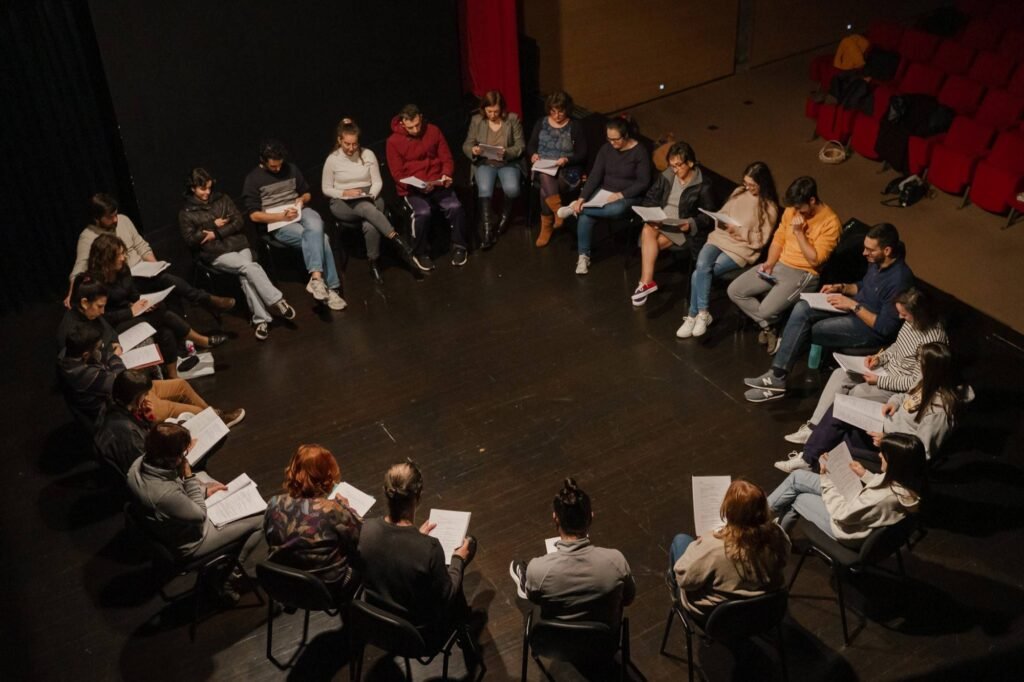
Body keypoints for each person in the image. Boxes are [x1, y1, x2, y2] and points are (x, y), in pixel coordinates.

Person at [744, 222, 915, 403]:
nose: (864, 253)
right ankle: (777, 376)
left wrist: (853, 306)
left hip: (869, 329)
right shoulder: (876, 263)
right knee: (803, 308)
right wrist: (841, 287)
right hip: (854, 310)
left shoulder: (900, 281)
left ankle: (778, 378)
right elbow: (864, 287)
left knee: (814, 329)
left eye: (870, 250)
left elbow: (885, 327)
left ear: (887, 251)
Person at [785, 287, 948, 445]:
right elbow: (897, 347)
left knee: (856, 393)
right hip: (884, 371)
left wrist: (879, 381)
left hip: (896, 387)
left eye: (904, 314)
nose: (900, 317)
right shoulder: (911, 322)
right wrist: (879, 358)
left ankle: (828, 439)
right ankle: (814, 428)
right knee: (839, 375)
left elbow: (915, 383)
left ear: (919, 313)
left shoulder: (932, 342)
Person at [775, 342, 966, 471]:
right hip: (884, 424)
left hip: (890, 446)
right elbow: (904, 395)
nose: (918, 367)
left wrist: (887, 439)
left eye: (922, 364)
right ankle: (809, 459)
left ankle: (810, 460)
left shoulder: (939, 411)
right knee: (840, 410)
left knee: (841, 439)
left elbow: (921, 451)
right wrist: (893, 403)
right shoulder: (925, 380)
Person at [126, 422, 266, 600]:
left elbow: (175, 491)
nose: (185, 458)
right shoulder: (164, 495)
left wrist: (205, 490)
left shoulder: (137, 465)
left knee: (206, 479)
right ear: (169, 457)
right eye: (183, 454)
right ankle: (227, 577)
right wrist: (189, 476)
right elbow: (199, 515)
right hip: (193, 540)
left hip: (171, 523)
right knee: (261, 518)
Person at [358, 459, 477, 640]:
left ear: (386, 493)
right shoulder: (429, 549)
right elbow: (447, 597)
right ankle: (466, 631)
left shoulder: (365, 530)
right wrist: (458, 560)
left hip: (375, 623)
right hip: (418, 635)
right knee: (469, 544)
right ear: (418, 497)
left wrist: (416, 537)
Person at [66, 193, 234, 315]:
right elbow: (79, 269)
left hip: (144, 271)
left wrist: (155, 266)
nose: (116, 220)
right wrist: (70, 294)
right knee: (167, 282)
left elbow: (141, 245)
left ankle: (202, 309)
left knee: (168, 281)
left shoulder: (123, 220)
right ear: (97, 218)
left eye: (116, 214)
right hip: (125, 281)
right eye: (110, 217)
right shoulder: (88, 236)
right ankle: (207, 301)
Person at [727, 176, 840, 353]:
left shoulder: (830, 223)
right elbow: (779, 239)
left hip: (803, 273)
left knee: (764, 310)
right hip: (779, 263)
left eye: (799, 208)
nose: (796, 211)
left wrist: (799, 233)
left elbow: (815, 260)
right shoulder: (791, 211)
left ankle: (771, 322)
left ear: (812, 200)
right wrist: (770, 262)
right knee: (735, 290)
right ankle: (770, 326)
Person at [180, 168, 296, 341]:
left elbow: (238, 221)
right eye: (202, 189)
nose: (207, 192)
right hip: (216, 252)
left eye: (209, 188)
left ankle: (261, 320)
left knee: (245, 273)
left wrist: (215, 233)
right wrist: (214, 224)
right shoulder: (186, 212)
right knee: (247, 267)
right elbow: (190, 239)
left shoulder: (222, 199)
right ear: (193, 188)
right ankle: (277, 300)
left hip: (238, 244)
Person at [87, 234, 226, 378]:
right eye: (118, 255)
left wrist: (145, 303)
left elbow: (133, 294)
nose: (123, 258)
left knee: (165, 329)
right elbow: (103, 318)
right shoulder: (96, 283)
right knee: (162, 314)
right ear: (106, 259)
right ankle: (201, 340)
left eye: (123, 253)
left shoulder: (123, 269)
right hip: (115, 325)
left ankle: (173, 376)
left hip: (133, 313)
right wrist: (130, 311)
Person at [508, 478, 635, 628]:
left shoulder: (538, 569)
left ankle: (522, 578)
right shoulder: (616, 562)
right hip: (602, 645)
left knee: (527, 575)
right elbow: (628, 598)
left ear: (555, 518)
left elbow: (534, 599)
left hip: (555, 644)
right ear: (591, 517)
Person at [58, 323, 243, 426]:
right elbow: (120, 377)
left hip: (130, 391)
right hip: (123, 408)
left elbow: (111, 358)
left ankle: (214, 415)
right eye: (97, 348)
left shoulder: (75, 353)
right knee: (173, 408)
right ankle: (215, 421)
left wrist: (112, 360)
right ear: (85, 354)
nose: (101, 351)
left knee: (180, 385)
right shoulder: (80, 374)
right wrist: (113, 362)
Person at [674, 162, 780, 337]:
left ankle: (695, 314)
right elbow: (722, 213)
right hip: (720, 238)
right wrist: (720, 220)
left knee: (697, 274)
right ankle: (702, 314)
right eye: (746, 183)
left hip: (740, 248)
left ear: (763, 183)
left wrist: (737, 230)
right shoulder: (739, 193)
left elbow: (760, 240)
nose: (748, 187)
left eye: (752, 185)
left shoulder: (769, 208)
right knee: (701, 263)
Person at [242, 139, 347, 311]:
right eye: (273, 166)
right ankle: (332, 288)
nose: (277, 169)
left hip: (299, 210)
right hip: (277, 222)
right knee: (323, 238)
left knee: (316, 223)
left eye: (279, 165)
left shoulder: (291, 168)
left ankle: (316, 279)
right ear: (263, 161)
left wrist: (301, 199)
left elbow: (306, 194)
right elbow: (254, 216)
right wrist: (280, 216)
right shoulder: (253, 179)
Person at [768, 433, 926, 546]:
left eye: (883, 455)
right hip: (858, 507)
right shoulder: (908, 483)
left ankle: (768, 533)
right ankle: (761, 514)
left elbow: (842, 514)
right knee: (798, 477)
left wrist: (826, 480)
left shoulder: (881, 498)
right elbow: (884, 489)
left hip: (845, 528)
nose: (879, 456)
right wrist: (865, 475)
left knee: (798, 498)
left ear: (895, 463)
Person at [668, 480, 790, 622]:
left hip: (719, 619)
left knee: (681, 540)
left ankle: (674, 594)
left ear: (730, 511)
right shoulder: (777, 534)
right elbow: (785, 557)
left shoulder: (714, 547)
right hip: (766, 612)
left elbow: (685, 580)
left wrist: (698, 545)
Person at [323, 118, 420, 284]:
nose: (351, 148)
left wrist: (371, 195)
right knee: (366, 209)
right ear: (340, 140)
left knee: (370, 221)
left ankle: (373, 263)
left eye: (354, 144)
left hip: (370, 197)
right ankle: (398, 241)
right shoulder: (332, 160)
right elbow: (326, 189)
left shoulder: (367, 154)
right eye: (347, 144)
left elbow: (377, 182)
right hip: (342, 203)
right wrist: (343, 192)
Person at [263, 444, 363, 605]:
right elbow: (359, 537)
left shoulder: (273, 503)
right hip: (324, 590)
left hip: (283, 585)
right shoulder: (332, 510)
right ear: (327, 476)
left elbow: (270, 539)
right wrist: (346, 508)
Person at [560, 117, 652, 275]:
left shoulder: (639, 151)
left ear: (626, 135)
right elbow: (595, 175)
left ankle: (577, 209)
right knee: (586, 218)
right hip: (605, 191)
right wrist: (582, 198)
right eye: (609, 139)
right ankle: (583, 256)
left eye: (616, 139)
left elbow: (643, 181)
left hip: (629, 196)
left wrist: (621, 194)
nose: (612, 143)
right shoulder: (605, 149)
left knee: (614, 210)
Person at [630, 141, 717, 308]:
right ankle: (647, 282)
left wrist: (691, 223)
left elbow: (709, 216)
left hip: (681, 227)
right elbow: (651, 197)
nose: (675, 170)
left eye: (678, 166)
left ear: (690, 163)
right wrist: (651, 213)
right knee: (648, 228)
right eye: (672, 166)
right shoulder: (668, 175)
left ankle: (645, 282)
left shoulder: (703, 184)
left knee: (648, 243)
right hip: (661, 220)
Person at [386, 104, 470, 269]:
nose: (416, 130)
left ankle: (460, 247)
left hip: (436, 183)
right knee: (422, 212)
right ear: (402, 124)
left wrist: (446, 174)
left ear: (421, 118)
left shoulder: (433, 131)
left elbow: (446, 158)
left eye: (418, 124)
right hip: (413, 189)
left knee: (455, 206)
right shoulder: (393, 142)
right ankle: (420, 252)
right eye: (411, 127)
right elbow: (397, 174)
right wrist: (417, 186)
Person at [462, 90, 525, 250]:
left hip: (506, 162)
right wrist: (474, 150)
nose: (492, 114)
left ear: (502, 109)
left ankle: (504, 218)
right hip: (486, 162)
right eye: (489, 111)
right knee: (484, 190)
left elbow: (520, 146)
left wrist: (507, 152)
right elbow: (467, 145)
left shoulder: (512, 120)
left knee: (512, 189)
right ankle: (488, 231)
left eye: (496, 111)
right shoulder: (477, 121)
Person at [527, 91, 587, 248]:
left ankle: (547, 226)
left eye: (560, 111)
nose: (557, 115)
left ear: (567, 109)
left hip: (567, 170)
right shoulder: (541, 122)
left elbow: (582, 153)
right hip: (543, 167)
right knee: (546, 177)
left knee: (544, 190)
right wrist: (533, 155)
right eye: (553, 111)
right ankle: (558, 211)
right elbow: (531, 145)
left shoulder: (575, 126)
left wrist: (567, 159)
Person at [94, 370, 154, 476]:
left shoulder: (110, 403)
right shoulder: (127, 432)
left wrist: (146, 418)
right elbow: (147, 467)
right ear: (135, 398)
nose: (147, 396)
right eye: (145, 394)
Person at [56, 274, 119, 354]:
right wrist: (112, 356)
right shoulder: (72, 332)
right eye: (100, 306)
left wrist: (116, 344)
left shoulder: (90, 313)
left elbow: (109, 331)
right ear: (84, 303)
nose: (103, 311)